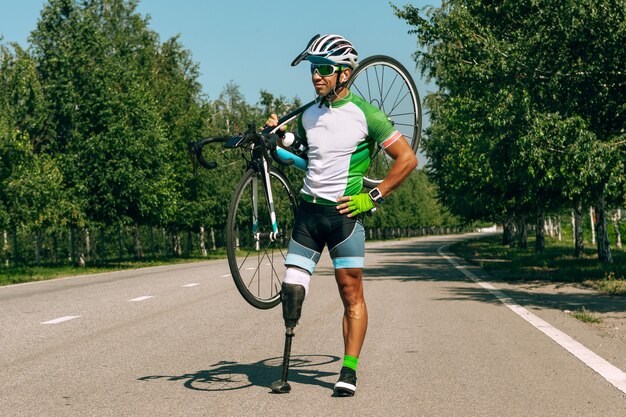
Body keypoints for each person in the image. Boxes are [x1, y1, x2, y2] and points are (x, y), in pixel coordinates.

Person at [266, 34, 418, 397]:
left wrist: (373, 196)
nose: (316, 76)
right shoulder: (308, 115)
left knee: (351, 295)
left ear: (345, 74)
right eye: (313, 70)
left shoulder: (367, 115)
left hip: (344, 216)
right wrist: (281, 146)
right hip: (308, 213)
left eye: (324, 70)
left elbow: (407, 159)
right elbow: (309, 161)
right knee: (291, 291)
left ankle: (348, 369)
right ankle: (284, 370)